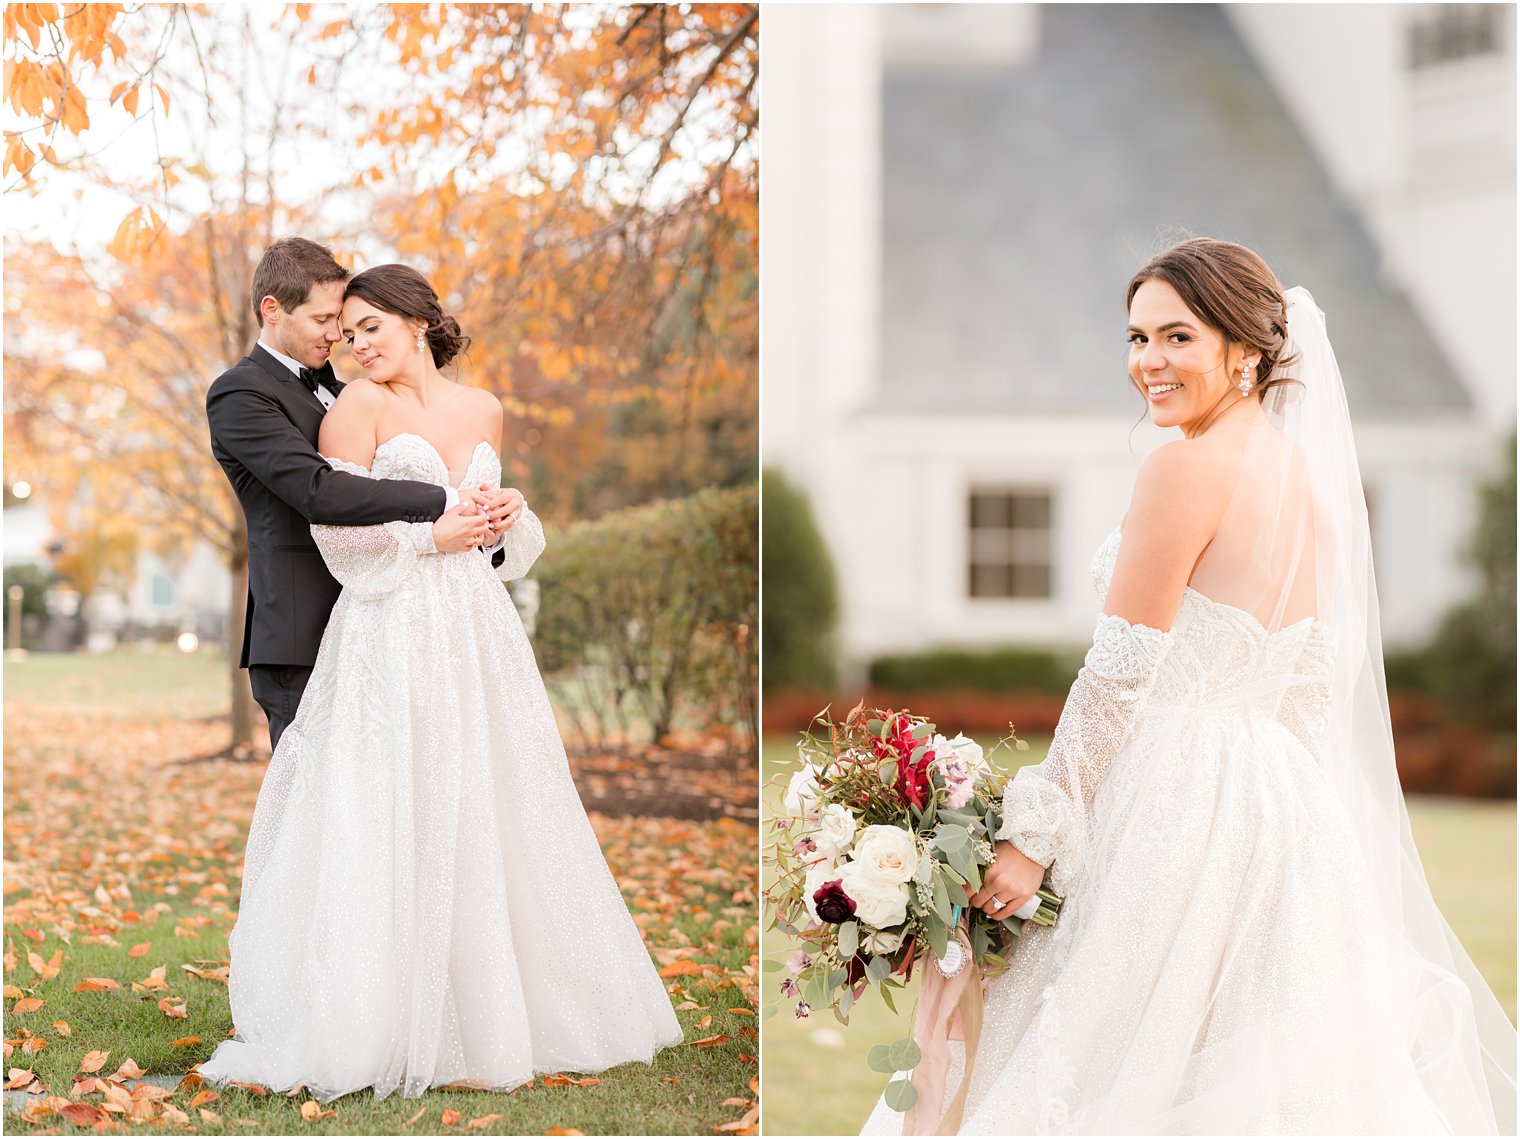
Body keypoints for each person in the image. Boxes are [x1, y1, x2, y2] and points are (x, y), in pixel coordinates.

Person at [863, 239, 1516, 1135]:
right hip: (1281, 810)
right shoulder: (1312, 488)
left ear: (1243, 350)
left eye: (1177, 337)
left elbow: (1116, 677)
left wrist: (1032, 837)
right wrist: (1303, 836)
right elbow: (1306, 690)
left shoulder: (1180, 468)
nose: (1148, 363)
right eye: (1136, 339)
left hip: (1169, 796)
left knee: (1108, 1054)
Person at [198, 264, 683, 1100]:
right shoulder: (354, 406)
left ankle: (492, 1009)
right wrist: (436, 533)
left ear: (418, 320)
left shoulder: (485, 407)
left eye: (368, 328)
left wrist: (506, 514)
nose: (354, 345)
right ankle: (373, 1010)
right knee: (386, 804)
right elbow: (334, 533)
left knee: (482, 800)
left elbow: (494, 531)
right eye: (344, 333)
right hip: (389, 625)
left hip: (475, 628)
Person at [206, 237, 522, 749]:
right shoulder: (241, 394)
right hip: (303, 632)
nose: (339, 338)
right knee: (321, 812)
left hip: (400, 624)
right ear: (273, 310)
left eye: (348, 325)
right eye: (325, 320)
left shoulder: (350, 389)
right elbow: (319, 490)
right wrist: (445, 500)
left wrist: (492, 518)